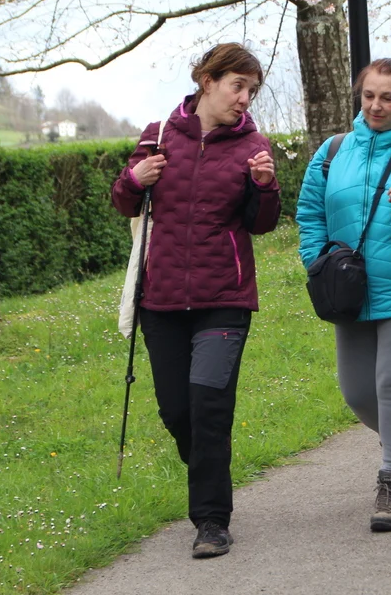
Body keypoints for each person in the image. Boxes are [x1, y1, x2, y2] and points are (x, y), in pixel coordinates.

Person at [111, 43, 282, 559]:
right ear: (208, 81)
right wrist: (134, 179)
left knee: (209, 405)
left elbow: (261, 223)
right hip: (161, 300)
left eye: (252, 90)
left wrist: (265, 186)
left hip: (223, 298)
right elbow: (123, 201)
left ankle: (211, 521)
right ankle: (210, 469)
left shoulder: (252, 144)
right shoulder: (159, 135)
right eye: (237, 86)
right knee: (176, 411)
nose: (245, 98)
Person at [296, 58, 391, 532]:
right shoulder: (333, 150)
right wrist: (318, 261)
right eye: (369, 95)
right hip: (347, 290)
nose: (376, 105)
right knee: (356, 392)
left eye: (388, 97)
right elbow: (310, 212)